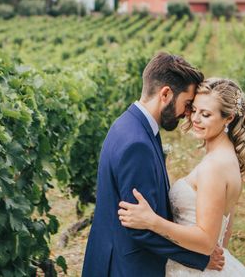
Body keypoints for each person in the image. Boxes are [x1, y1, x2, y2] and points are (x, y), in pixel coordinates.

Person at [83, 52, 225, 276]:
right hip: (126, 267)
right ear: (166, 94)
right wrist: (199, 258)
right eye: (187, 104)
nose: (187, 114)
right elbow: (139, 227)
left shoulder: (130, 125)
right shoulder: (137, 143)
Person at [118, 78, 245, 276]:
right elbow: (222, 236)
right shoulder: (226, 158)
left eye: (206, 114)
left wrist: (152, 221)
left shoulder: (214, 167)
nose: (195, 119)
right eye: (194, 110)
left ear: (228, 118)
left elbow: (207, 242)